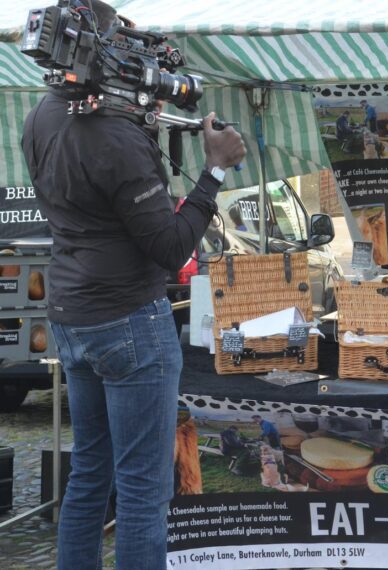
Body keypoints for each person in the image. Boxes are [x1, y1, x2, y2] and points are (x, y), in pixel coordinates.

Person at [20, 3, 246, 568]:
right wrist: (213, 171)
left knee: (90, 471)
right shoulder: (117, 140)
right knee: (145, 488)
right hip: (128, 324)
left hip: (72, 316)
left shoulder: (42, 116)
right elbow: (171, 249)